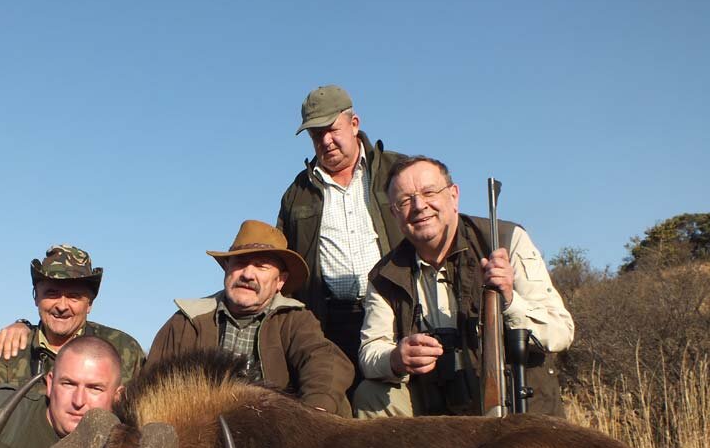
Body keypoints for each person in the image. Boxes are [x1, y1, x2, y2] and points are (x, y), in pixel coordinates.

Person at [354, 156, 574, 417]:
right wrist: (395, 358)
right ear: (394, 213)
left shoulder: (507, 239)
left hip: (514, 407)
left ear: (454, 195)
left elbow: (561, 332)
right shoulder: (384, 275)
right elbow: (370, 352)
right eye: (405, 200)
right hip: (436, 410)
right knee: (371, 395)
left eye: (429, 192)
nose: (419, 206)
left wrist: (509, 300)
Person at [147, 220, 354, 416]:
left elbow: (325, 362)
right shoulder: (186, 321)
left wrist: (315, 411)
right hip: (201, 434)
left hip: (274, 433)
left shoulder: (295, 319)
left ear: (280, 281)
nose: (247, 274)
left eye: (261, 266)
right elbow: (152, 384)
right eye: (240, 262)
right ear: (227, 268)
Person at [276, 85, 404, 374]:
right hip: (327, 324)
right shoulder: (296, 193)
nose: (326, 140)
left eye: (332, 129)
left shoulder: (397, 171)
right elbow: (282, 261)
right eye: (316, 134)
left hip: (396, 317)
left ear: (354, 124)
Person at [0, 244, 145, 388]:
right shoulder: (10, 352)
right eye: (52, 294)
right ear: (36, 297)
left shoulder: (125, 352)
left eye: (73, 296)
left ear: (89, 304)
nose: (62, 306)